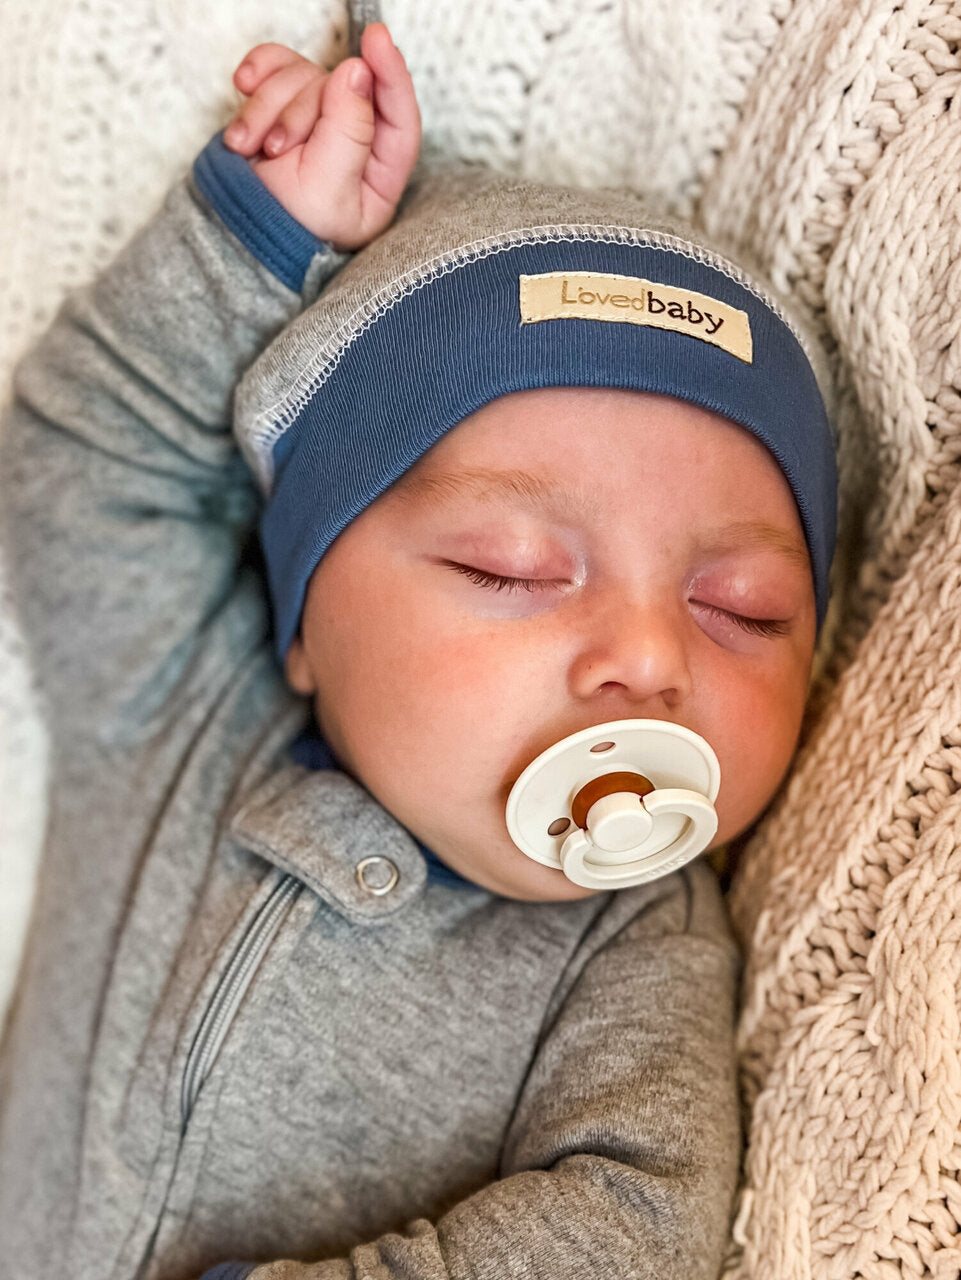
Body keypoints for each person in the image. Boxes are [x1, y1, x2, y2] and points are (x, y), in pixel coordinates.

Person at [0, 18, 835, 1280]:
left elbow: (638, 1222)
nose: (649, 656)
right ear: (305, 625)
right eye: (512, 567)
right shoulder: (172, 707)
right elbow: (81, 464)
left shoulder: (629, 945)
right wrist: (251, 243)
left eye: (744, 606)